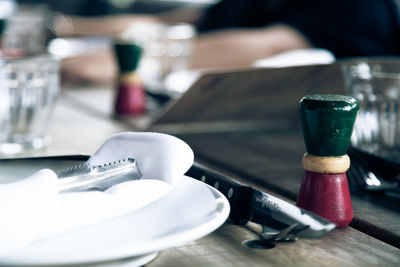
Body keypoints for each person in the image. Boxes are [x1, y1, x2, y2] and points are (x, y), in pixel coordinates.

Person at [56, 0, 400, 84]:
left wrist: (125, 60)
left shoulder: (360, 6)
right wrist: (65, 27)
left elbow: (270, 45)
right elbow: (164, 20)